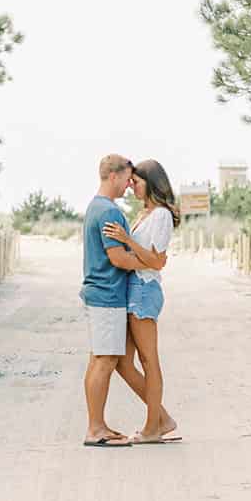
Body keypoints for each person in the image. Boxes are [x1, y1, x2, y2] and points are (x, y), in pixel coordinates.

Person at [102, 158, 181, 444]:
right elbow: (148, 258)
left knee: (149, 361)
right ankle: (162, 418)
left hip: (145, 289)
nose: (131, 185)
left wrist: (128, 241)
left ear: (151, 182)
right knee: (123, 363)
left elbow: (154, 261)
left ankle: (152, 429)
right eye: (131, 181)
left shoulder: (160, 215)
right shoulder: (145, 213)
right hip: (133, 288)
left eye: (136, 181)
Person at [81, 154, 144, 447]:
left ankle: (98, 425)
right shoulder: (110, 212)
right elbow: (117, 257)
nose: (129, 186)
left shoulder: (95, 207)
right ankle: (95, 430)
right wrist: (148, 260)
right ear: (114, 176)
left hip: (100, 292)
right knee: (105, 361)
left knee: (98, 360)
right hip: (108, 294)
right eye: (128, 178)